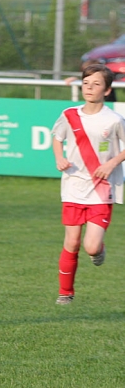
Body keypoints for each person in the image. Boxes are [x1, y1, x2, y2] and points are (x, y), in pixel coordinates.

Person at [51, 64, 125, 306]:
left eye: (96, 84)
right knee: (72, 242)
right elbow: (57, 138)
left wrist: (112, 163)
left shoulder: (114, 120)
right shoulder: (69, 114)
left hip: (102, 189)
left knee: (91, 247)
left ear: (107, 90)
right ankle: (65, 293)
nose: (89, 88)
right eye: (85, 83)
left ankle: (98, 250)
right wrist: (59, 158)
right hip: (73, 186)